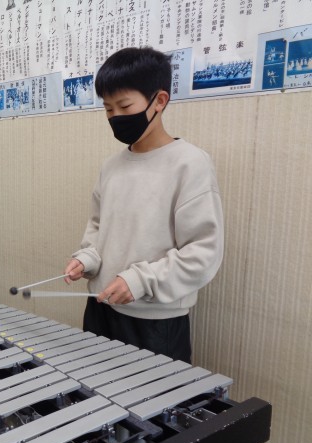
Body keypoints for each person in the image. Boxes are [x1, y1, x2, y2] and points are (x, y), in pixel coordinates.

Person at [64, 47, 224, 363]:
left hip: (154, 322)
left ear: (159, 101)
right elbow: (99, 228)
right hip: (100, 307)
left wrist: (140, 280)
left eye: (124, 106)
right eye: (108, 109)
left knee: (156, 397)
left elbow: (203, 252)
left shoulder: (190, 164)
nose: (115, 117)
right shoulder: (111, 166)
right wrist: (87, 259)